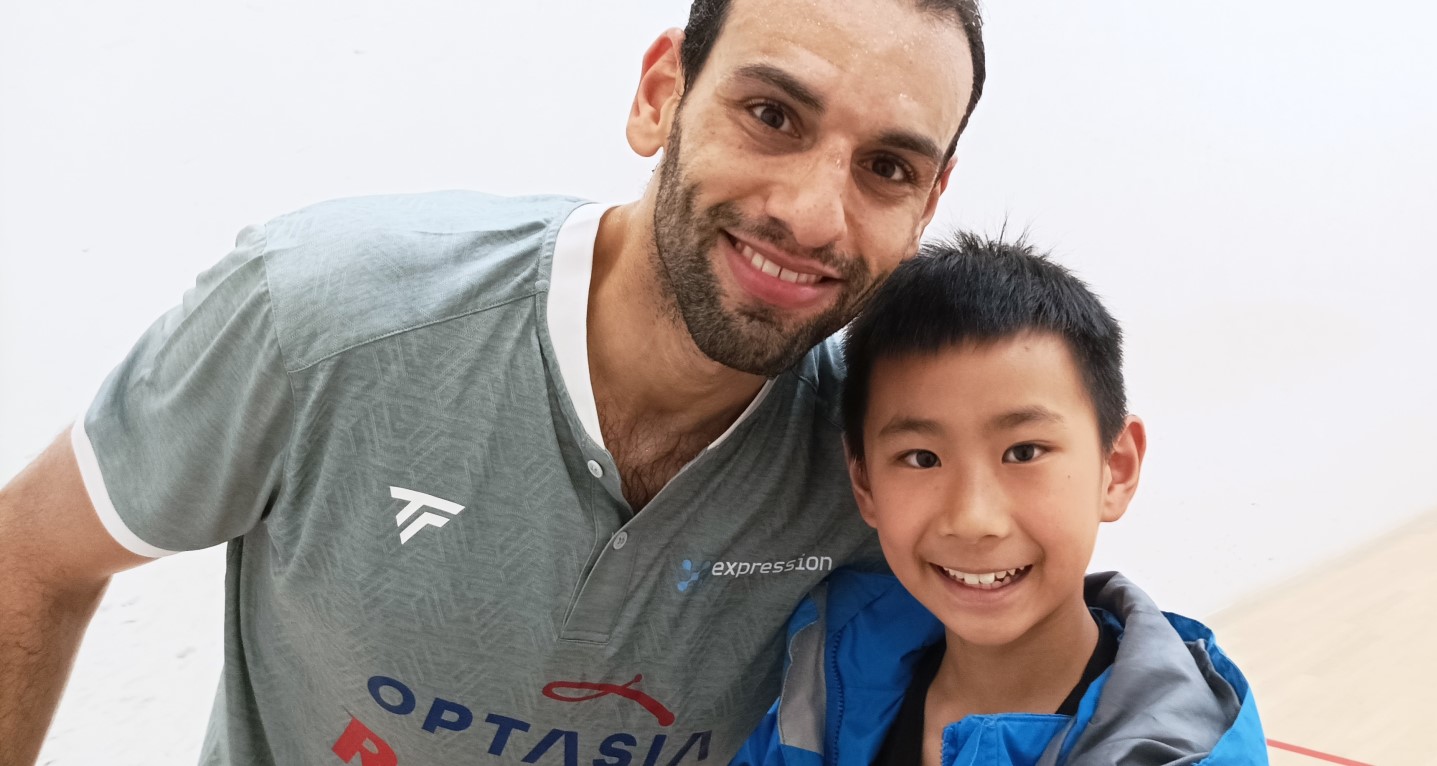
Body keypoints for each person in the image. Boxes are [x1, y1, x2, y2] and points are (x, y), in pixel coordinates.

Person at [0, 1, 987, 764]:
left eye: (887, 168)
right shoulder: (323, 314)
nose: (815, 214)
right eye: (770, 114)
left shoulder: (886, 459)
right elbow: (31, 554)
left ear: (928, 201)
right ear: (659, 97)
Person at [732, 234, 1268, 765]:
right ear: (865, 483)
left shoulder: (1180, 752)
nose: (973, 519)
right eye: (922, 458)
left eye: (1024, 451)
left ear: (1117, 469)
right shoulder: (825, 666)